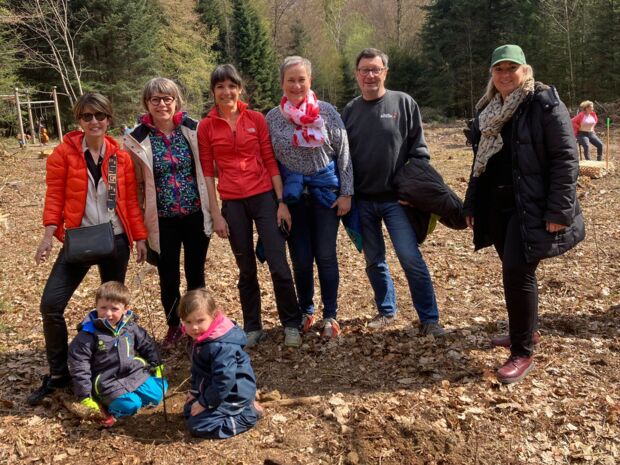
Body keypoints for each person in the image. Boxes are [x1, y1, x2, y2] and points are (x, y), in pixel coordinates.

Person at [463, 44, 585, 384]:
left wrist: (559, 209)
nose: (505, 75)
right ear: (492, 74)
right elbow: (480, 164)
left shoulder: (544, 103)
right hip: (497, 205)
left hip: (529, 205)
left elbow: (565, 158)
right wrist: (471, 203)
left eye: (511, 68)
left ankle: (522, 352)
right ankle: (526, 332)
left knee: (518, 270)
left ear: (524, 70)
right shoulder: (488, 109)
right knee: (512, 268)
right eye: (499, 69)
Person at [28, 93, 148, 406]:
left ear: (108, 119)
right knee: (50, 304)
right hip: (78, 240)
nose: (94, 122)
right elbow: (54, 196)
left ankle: (115, 363)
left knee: (113, 309)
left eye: (100, 116)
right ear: (79, 121)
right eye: (87, 117)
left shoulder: (119, 156)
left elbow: (130, 202)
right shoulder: (63, 154)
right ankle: (58, 374)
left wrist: (139, 238)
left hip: (115, 240)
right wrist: (47, 234)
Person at [341, 48, 445, 337]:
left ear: (385, 72)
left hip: (396, 201)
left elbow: (420, 153)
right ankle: (386, 310)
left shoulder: (404, 103)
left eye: (375, 69)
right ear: (357, 75)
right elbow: (342, 157)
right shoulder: (349, 111)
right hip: (363, 201)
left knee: (410, 257)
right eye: (364, 70)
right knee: (374, 260)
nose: (370, 75)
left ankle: (430, 318)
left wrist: (413, 191)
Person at [197, 64, 301, 348]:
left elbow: (269, 160)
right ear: (213, 92)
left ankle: (291, 323)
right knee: (246, 269)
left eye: (231, 86)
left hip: (264, 197)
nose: (226, 92)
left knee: (279, 263)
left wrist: (281, 203)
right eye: (220, 87)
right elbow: (207, 171)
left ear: (240, 89)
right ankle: (253, 326)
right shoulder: (206, 126)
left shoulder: (256, 118)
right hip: (232, 203)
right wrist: (216, 213)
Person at [266, 56, 353, 339]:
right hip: (291, 198)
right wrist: (278, 202)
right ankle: (306, 309)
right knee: (301, 259)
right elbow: (269, 162)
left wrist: (346, 193)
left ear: (310, 81)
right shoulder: (272, 118)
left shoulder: (327, 112)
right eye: (290, 79)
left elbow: (343, 153)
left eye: (301, 79)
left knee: (325, 255)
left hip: (326, 193)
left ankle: (331, 315)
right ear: (282, 83)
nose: (296, 84)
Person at [123, 77, 213, 349]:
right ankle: (174, 325)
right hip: (161, 220)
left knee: (196, 272)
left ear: (176, 101)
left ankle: (200, 323)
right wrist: (137, 229)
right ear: (147, 104)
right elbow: (135, 186)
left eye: (167, 99)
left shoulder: (193, 129)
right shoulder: (136, 139)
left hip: (194, 213)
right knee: (168, 275)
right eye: (155, 100)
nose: (162, 104)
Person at [67, 281, 166, 424]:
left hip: (134, 373)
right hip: (108, 382)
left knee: (159, 391)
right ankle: (112, 410)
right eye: (103, 308)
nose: (108, 313)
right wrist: (85, 396)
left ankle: (131, 398)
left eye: (114, 309)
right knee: (131, 405)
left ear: (126, 309)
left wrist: (157, 364)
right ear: (96, 306)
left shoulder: (130, 327)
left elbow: (146, 344)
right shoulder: (88, 334)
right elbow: (79, 366)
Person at [179, 288, 263, 439]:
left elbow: (224, 380)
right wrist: (195, 392)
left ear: (213, 315)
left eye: (200, 321)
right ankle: (212, 408)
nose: (194, 327)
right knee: (188, 410)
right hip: (216, 389)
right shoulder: (203, 338)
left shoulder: (220, 346)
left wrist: (204, 402)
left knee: (198, 425)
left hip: (235, 393)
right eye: (188, 322)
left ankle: (249, 413)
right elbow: (199, 370)